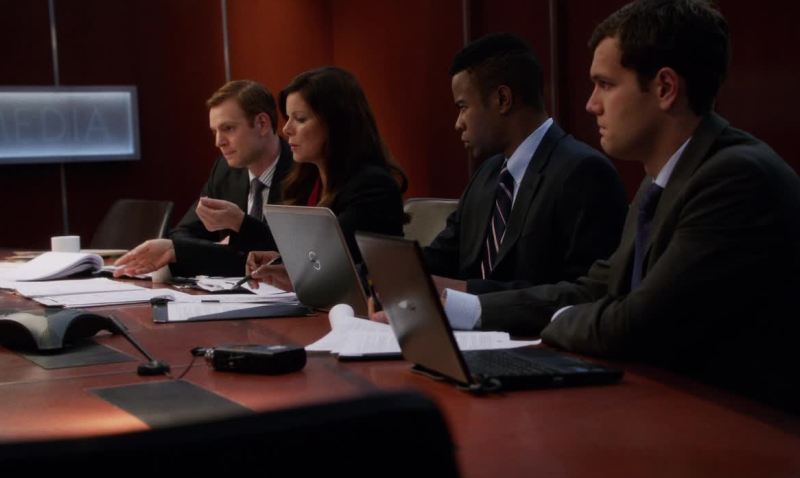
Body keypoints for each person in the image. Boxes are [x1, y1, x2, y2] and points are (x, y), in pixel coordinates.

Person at [466, 0, 800, 410]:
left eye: (605, 84)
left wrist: (560, 319)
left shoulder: (735, 179)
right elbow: (597, 288)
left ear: (665, 88)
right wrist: (467, 309)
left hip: (750, 428)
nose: (591, 104)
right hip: (673, 407)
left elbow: (638, 324)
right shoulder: (662, 180)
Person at [424, 33, 627, 329]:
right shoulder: (487, 174)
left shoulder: (585, 172)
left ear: (502, 99)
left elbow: (585, 294)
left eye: (463, 107)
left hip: (541, 345)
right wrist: (390, 279)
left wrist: (467, 296)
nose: (458, 123)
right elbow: (441, 257)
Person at [246, 67, 406, 289]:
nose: (286, 129)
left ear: (336, 123)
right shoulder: (307, 181)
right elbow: (316, 260)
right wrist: (282, 263)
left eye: (300, 119)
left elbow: (335, 264)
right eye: (288, 118)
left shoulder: (373, 187)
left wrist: (292, 269)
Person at [114, 80, 292, 277]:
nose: (218, 142)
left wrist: (240, 224)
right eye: (215, 131)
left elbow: (292, 253)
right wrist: (218, 249)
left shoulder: (301, 171)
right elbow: (181, 235)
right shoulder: (224, 171)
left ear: (262, 124)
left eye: (228, 128)